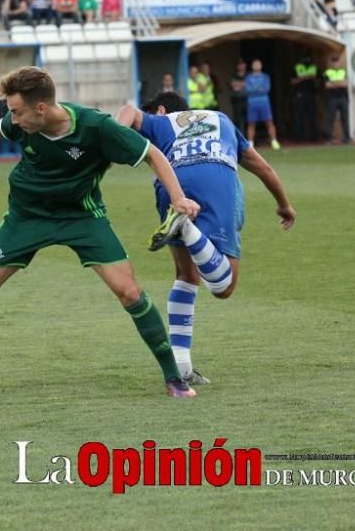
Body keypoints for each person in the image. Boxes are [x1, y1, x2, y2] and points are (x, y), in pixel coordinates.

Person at [0, 66, 204, 398]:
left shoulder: (96, 127)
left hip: (82, 217)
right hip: (26, 218)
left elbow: (152, 154)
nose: (13, 120)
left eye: (17, 112)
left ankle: (172, 376)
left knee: (130, 292)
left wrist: (178, 198)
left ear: (41, 109)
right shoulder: (22, 122)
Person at [115, 91, 295, 384]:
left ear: (161, 110)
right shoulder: (220, 119)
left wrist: (115, 137)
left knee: (186, 275)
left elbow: (128, 110)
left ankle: (182, 367)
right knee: (223, 287)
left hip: (173, 190)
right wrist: (284, 204)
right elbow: (263, 167)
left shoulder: (161, 123)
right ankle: (186, 226)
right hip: (215, 181)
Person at [243, 59, 280, 150]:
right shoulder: (248, 77)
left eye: (258, 64)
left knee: (269, 122)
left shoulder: (265, 77)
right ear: (252, 66)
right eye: (255, 64)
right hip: (252, 103)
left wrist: (255, 88)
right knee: (251, 123)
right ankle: (251, 143)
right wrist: (258, 88)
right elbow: (248, 90)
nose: (256, 66)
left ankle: (274, 141)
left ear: (261, 66)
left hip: (264, 102)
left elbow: (266, 89)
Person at [323, 56, 352, 144]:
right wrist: (339, 83)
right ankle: (328, 138)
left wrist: (334, 83)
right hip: (332, 98)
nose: (335, 64)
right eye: (334, 62)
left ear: (339, 62)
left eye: (337, 62)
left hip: (342, 97)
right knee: (330, 118)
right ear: (331, 63)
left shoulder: (343, 71)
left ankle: (347, 137)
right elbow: (327, 85)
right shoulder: (327, 72)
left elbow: (345, 84)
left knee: (345, 118)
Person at [291, 54, 318, 141]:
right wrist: (304, 78)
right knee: (299, 116)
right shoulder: (297, 67)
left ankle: (313, 137)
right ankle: (298, 137)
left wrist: (311, 78)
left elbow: (318, 80)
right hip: (300, 94)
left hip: (311, 93)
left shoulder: (314, 67)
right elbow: (292, 81)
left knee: (312, 116)